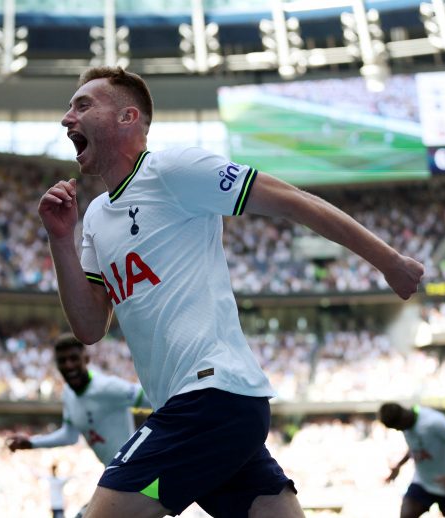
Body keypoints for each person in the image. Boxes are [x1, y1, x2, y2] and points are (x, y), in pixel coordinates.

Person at [38, 66, 425, 518]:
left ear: (128, 117)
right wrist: (61, 239)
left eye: (83, 105)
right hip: (211, 414)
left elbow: (294, 200)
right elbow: (88, 327)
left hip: (210, 395)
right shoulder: (98, 217)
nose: (67, 118)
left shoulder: (172, 169)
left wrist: (389, 262)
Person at [6, 334, 151, 467]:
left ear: (86, 359)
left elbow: (153, 399)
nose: (69, 365)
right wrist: (32, 443)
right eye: (62, 360)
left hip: (137, 468)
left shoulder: (107, 387)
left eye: (74, 358)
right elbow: (70, 436)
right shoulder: (68, 394)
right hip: (115, 472)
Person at [379, 402, 445, 518]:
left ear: (402, 418)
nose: (398, 430)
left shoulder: (434, 422)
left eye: (398, 427)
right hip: (423, 483)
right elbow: (415, 447)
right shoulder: (406, 426)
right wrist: (399, 465)